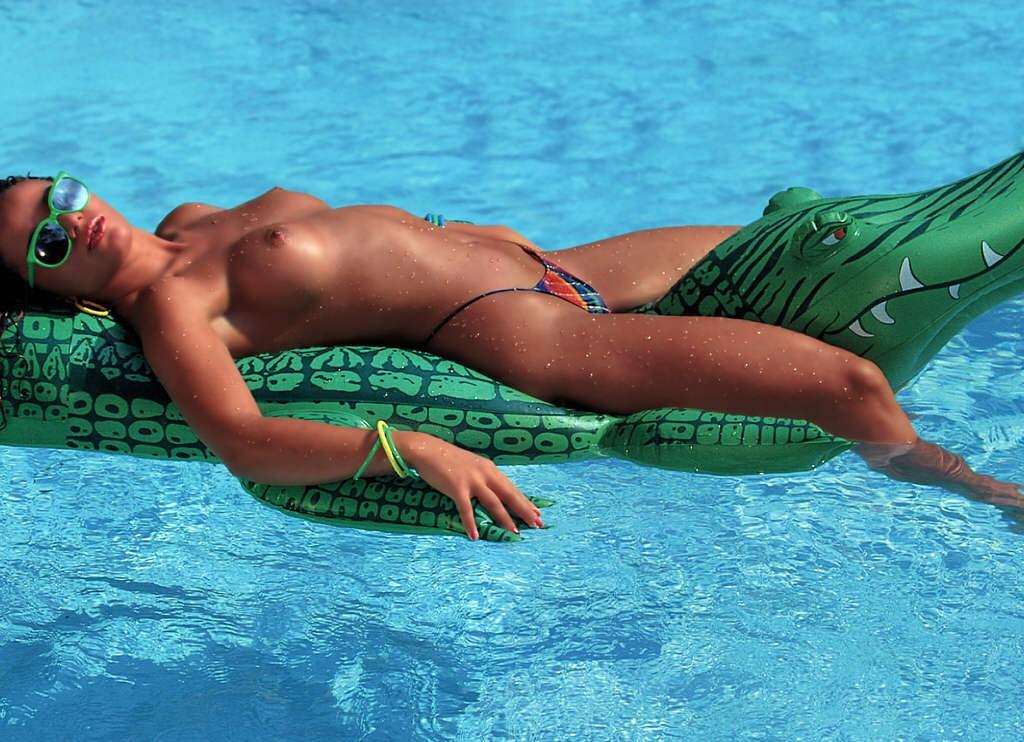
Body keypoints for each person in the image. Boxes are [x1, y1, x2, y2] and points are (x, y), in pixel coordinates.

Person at [0, 173, 1020, 540]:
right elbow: (243, 439)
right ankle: (970, 487)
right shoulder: (175, 310)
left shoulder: (189, 219)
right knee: (848, 383)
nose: (72, 223)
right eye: (47, 244)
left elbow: (362, 248)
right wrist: (405, 447)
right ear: (54, 290)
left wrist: (468, 232)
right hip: (532, 332)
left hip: (555, 264)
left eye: (61, 198)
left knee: (809, 232)